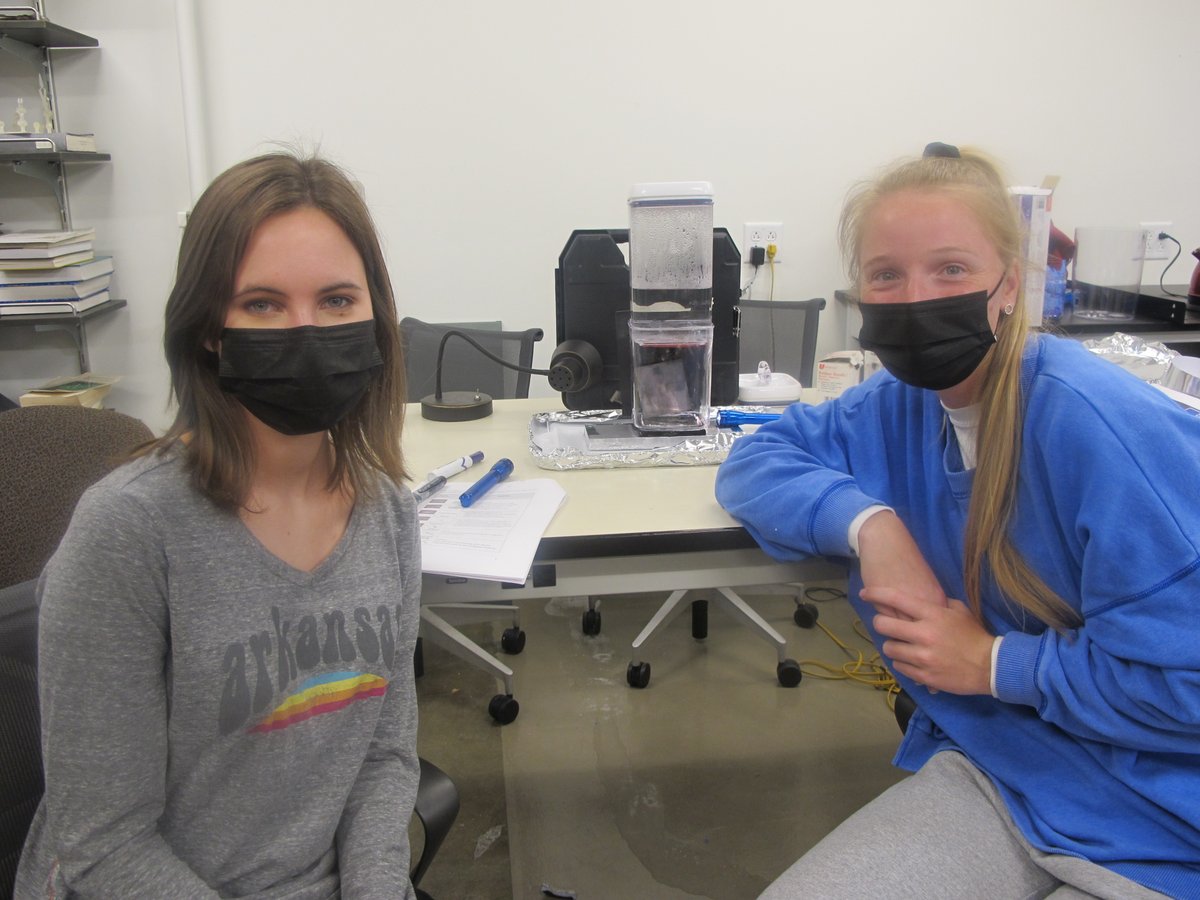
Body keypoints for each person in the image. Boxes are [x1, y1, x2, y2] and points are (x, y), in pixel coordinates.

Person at [716, 143, 1200, 899]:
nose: (915, 299)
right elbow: (756, 461)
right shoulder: (897, 405)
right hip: (1008, 765)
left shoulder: (1095, 425)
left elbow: (1190, 688)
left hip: (1165, 814)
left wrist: (993, 665)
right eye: (886, 275)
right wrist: (872, 525)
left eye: (950, 270)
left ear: (1009, 286)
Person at [16, 152, 422, 898]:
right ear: (208, 329)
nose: (306, 330)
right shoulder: (129, 532)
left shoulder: (388, 513)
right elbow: (103, 846)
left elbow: (383, 760)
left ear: (375, 320)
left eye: (336, 300)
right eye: (263, 304)